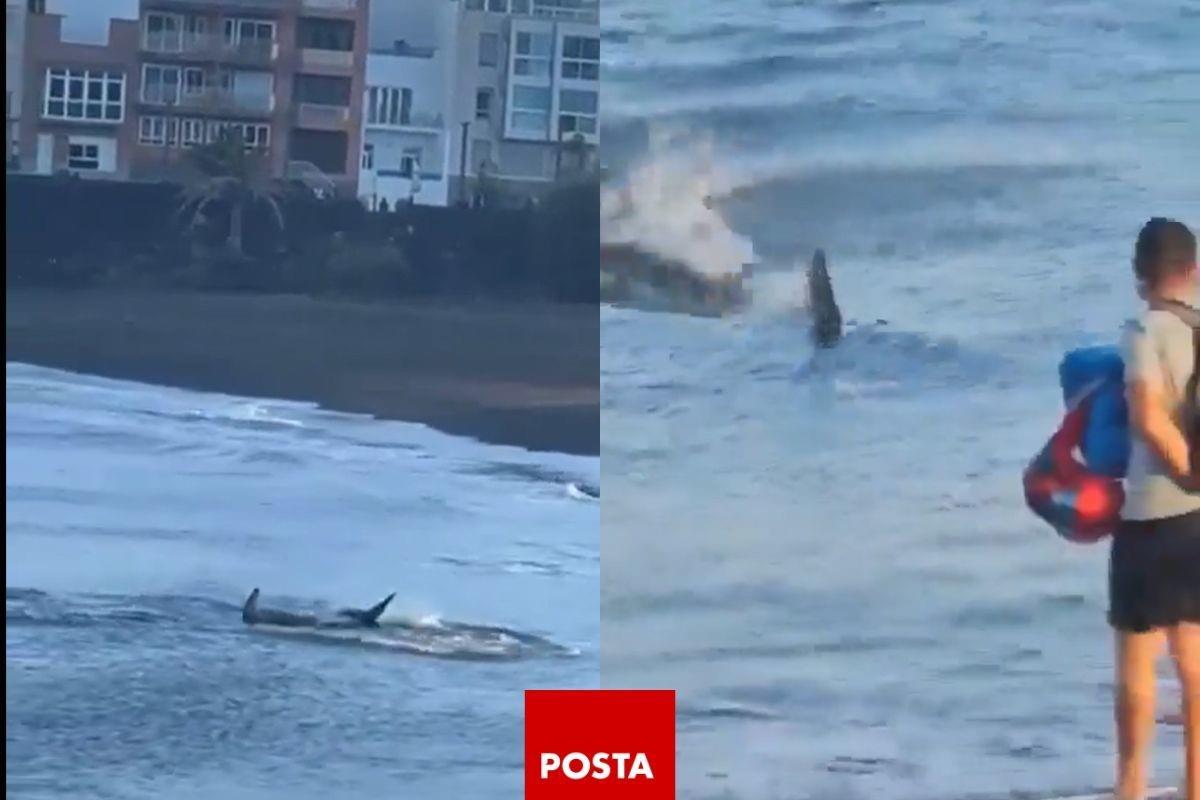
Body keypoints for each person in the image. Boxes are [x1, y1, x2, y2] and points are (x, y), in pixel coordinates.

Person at [1111, 217, 1200, 800]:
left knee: (1137, 658)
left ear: (1140, 276)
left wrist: (1186, 468)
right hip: (1198, 522)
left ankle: (1132, 788)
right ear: (1192, 272)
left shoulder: (1142, 330)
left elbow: (1146, 416)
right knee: (1193, 658)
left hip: (1150, 515)